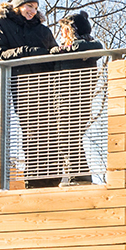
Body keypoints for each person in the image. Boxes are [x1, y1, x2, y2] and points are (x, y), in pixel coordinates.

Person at [0, 0, 59, 187]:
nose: (32, 11)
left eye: (36, 8)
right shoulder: (3, 23)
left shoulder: (43, 30)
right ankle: (34, 180)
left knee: (50, 132)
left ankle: (51, 179)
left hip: (46, 86)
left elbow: (52, 50)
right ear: (18, 4)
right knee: (31, 131)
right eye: (29, 6)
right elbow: (1, 54)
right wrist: (27, 51)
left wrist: (57, 50)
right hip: (22, 85)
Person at [50, 11, 105, 185]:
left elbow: (98, 48)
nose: (62, 34)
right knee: (64, 138)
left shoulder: (87, 46)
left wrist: (68, 48)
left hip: (76, 103)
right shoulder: (63, 51)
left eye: (64, 30)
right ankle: (76, 175)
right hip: (61, 103)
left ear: (73, 30)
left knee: (67, 137)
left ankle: (80, 177)